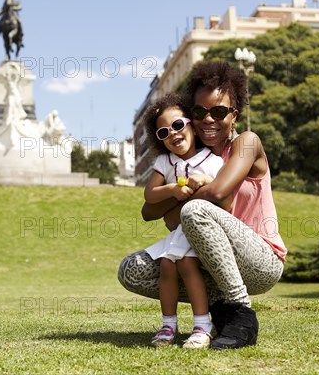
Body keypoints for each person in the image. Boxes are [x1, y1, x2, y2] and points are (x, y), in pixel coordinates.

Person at [118, 61, 287, 350]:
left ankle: (241, 315)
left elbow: (219, 192)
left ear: (234, 115)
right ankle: (213, 315)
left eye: (219, 111)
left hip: (260, 260)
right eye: (199, 112)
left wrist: (177, 204)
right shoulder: (194, 157)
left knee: (194, 211)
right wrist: (179, 190)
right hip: (211, 261)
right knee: (132, 269)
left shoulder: (247, 143)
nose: (209, 119)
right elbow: (148, 212)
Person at [142, 93, 224, 348]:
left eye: (178, 125)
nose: (173, 134)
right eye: (164, 132)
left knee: (187, 264)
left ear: (192, 125)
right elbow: (149, 195)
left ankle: (202, 325)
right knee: (168, 265)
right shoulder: (164, 162)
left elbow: (224, 196)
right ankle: (168, 325)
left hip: (202, 230)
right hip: (178, 232)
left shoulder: (212, 161)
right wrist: (172, 190)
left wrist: (206, 182)